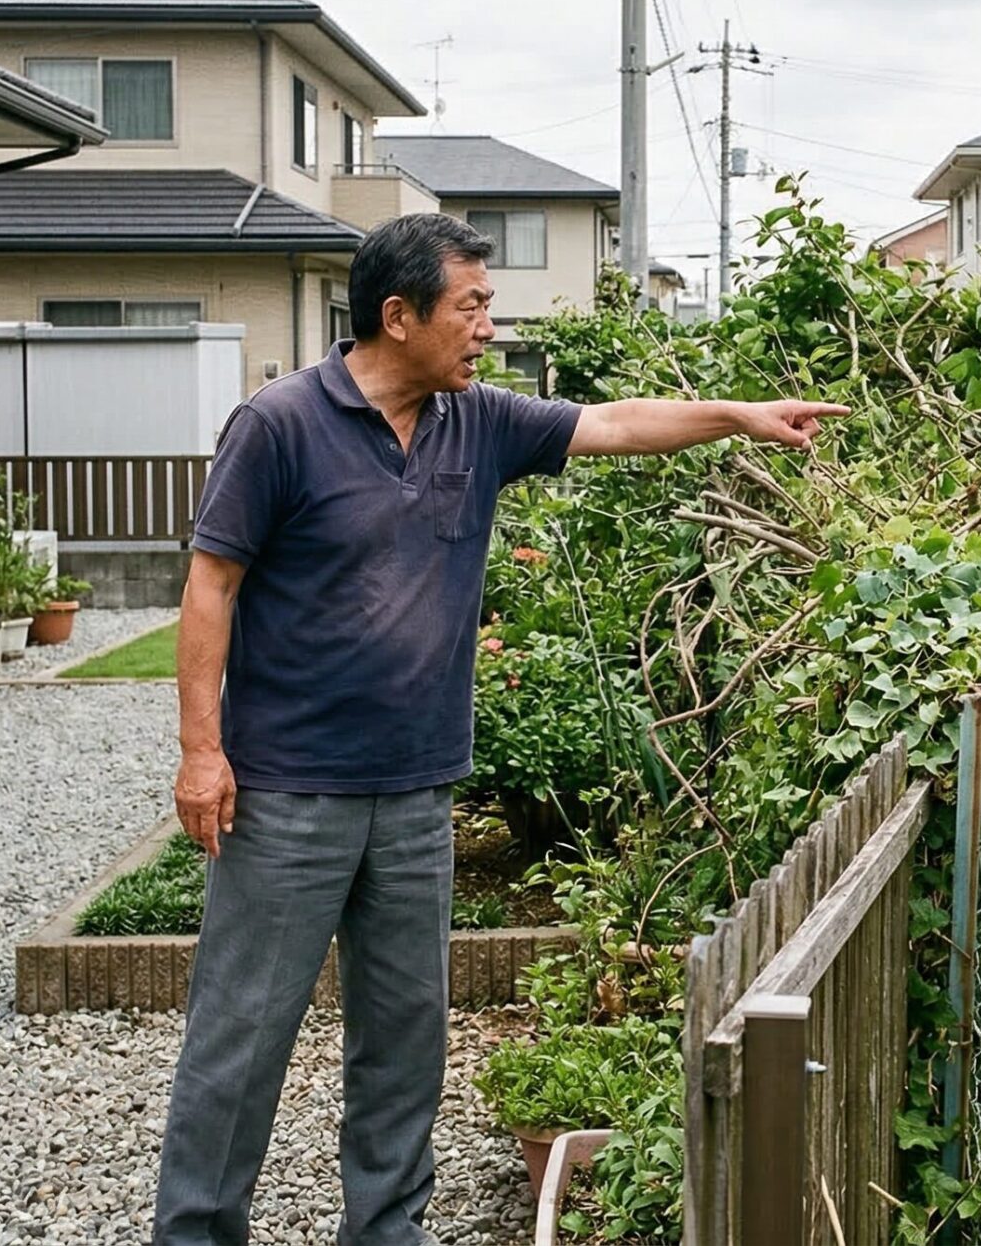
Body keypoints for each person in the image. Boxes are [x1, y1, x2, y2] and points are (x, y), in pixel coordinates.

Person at [149, 212, 847, 1246]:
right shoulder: (282, 423)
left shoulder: (476, 421)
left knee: (406, 1038)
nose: (488, 325)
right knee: (241, 1036)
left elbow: (614, 422)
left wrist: (741, 415)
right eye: (470, 305)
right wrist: (201, 753)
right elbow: (211, 585)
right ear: (399, 315)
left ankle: (385, 1232)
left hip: (418, 791)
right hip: (288, 789)